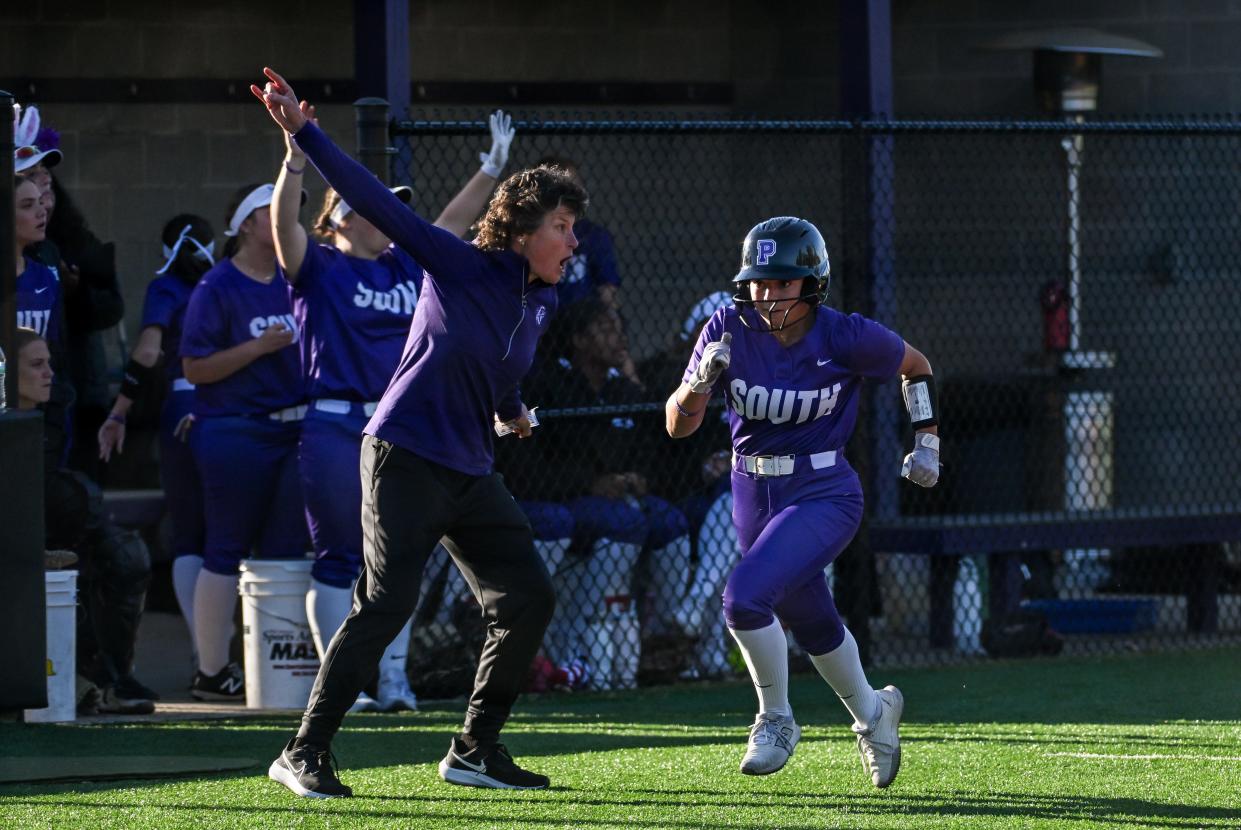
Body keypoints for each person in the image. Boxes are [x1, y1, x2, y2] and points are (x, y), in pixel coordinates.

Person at [253, 67, 586, 797]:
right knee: (385, 604)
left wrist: (510, 409)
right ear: (524, 230)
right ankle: (302, 751)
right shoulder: (458, 263)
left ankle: (473, 750)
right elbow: (375, 201)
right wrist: (301, 133)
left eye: (572, 228)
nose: (571, 240)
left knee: (526, 595)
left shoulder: (541, 304)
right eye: (560, 227)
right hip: (403, 455)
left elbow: (498, 370)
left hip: (469, 469)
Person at [665, 216, 940, 789]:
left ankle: (776, 717)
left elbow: (916, 366)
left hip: (824, 491)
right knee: (811, 618)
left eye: (781, 282)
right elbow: (677, 426)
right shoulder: (727, 326)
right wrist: (698, 385)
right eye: (758, 282)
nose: (766, 294)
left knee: (743, 600)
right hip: (752, 492)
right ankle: (874, 714)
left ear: (812, 283)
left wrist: (928, 441)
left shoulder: (844, 335)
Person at [272, 103, 516, 713]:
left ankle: (395, 682)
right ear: (341, 220)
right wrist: (294, 163)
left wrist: (490, 167)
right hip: (332, 422)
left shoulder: (405, 264)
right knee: (339, 557)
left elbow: (450, 222)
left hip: (396, 427)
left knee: (399, 554)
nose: (388, 216)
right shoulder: (321, 265)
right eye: (375, 206)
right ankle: (345, 687)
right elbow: (284, 230)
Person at [504, 297, 694, 689]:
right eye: (606, 330)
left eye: (619, 328)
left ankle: (663, 632)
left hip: (620, 496)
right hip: (568, 497)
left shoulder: (623, 388)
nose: (618, 338)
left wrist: (638, 477)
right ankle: (575, 633)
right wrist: (588, 484)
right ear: (579, 340)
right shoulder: (551, 385)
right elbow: (533, 463)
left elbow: (651, 450)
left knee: (669, 520)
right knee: (621, 521)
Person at [179, 182, 308, 701]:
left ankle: (275, 675)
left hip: (294, 427)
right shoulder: (217, 287)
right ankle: (211, 672)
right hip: (235, 428)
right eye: (269, 211)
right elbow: (195, 368)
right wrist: (258, 347)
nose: (282, 220)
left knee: (284, 550)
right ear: (246, 225)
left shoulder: (295, 278)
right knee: (226, 547)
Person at [14, 326, 157, 715]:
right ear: (7, 370)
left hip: (49, 527)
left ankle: (107, 679)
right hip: (13, 539)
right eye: (37, 365)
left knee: (124, 556)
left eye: (50, 364)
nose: (49, 374)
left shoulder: (57, 409)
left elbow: (62, 487)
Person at [98, 215, 216, 677]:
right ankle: (220, 653)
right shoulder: (231, 278)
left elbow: (148, 352)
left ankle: (205, 653)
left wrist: (118, 411)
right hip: (237, 408)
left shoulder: (168, 286)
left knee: (194, 535)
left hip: (190, 402)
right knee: (223, 540)